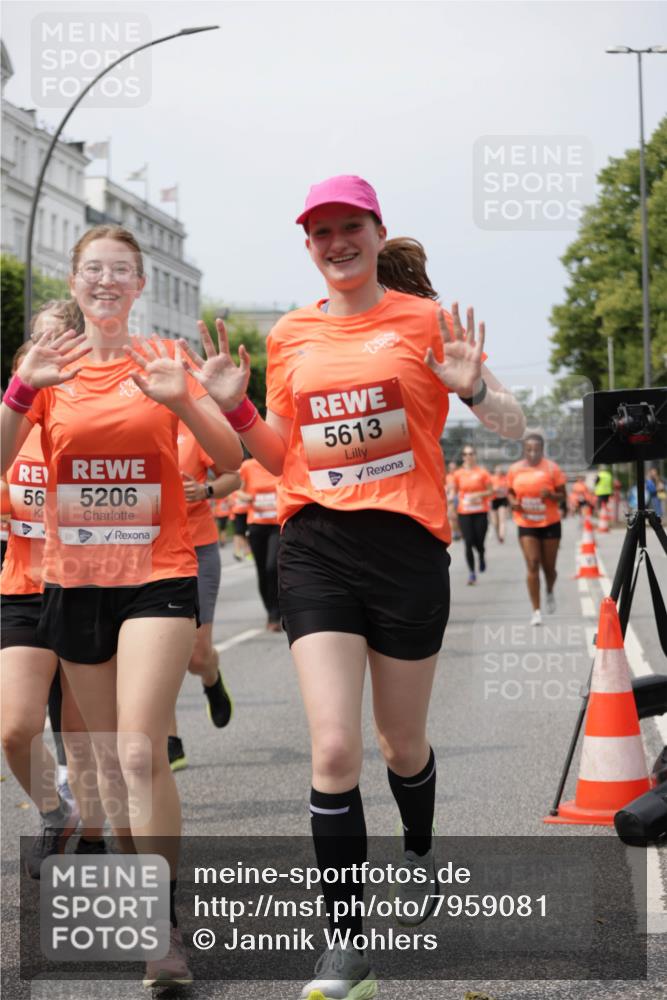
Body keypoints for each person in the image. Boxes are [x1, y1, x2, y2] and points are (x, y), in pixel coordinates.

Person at [179, 175, 525, 1000]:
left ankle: (419, 843)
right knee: (333, 748)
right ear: (308, 244)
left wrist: (475, 387)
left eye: (349, 227)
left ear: (376, 232)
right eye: (319, 231)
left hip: (405, 549)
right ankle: (345, 944)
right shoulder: (292, 335)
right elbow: (276, 456)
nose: (335, 242)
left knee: (399, 745)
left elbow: (509, 422)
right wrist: (235, 411)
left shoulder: (425, 322)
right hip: (316, 546)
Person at [0, 225, 242, 988]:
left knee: (139, 752)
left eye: (122, 272)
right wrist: (21, 390)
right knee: (103, 765)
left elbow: (232, 459)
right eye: (93, 270)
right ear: (75, 284)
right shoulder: (47, 374)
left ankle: (163, 929)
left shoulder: (164, 358)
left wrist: (191, 403)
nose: (107, 281)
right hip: (74, 583)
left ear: (139, 286)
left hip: (158, 576)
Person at [1, 318, 107, 879]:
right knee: (16, 729)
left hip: (87, 587)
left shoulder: (91, 428)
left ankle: (91, 834)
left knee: (80, 736)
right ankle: (53, 812)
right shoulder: (10, 435)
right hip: (22, 590)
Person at [167, 423, 239, 771]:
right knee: (157, 654)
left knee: (195, 655)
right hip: (145, 552)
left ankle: (211, 677)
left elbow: (233, 476)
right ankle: (170, 739)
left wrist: (206, 490)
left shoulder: (192, 424)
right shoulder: (121, 419)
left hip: (197, 547)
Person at [507, 433, 566, 626]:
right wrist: (513, 502)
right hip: (526, 523)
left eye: (536, 450)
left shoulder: (552, 468)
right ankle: (536, 610)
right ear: (524, 450)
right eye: (529, 449)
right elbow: (509, 492)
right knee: (532, 563)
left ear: (542, 449)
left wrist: (551, 495)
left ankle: (549, 589)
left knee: (549, 569)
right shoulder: (515, 469)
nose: (533, 453)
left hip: (549, 523)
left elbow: (562, 496)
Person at [238, 456, 281, 630]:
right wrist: (245, 496)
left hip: (277, 525)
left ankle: (277, 612)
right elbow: (237, 491)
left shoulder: (278, 462)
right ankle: (270, 611)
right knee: (262, 571)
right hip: (256, 525)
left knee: (273, 567)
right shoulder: (248, 466)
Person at [452, 447, 493, 584]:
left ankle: (481, 554)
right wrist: (450, 502)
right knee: (468, 542)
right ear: (462, 456)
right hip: (464, 512)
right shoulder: (458, 474)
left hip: (480, 511)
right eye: (465, 454)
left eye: (470, 453)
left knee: (479, 541)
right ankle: (471, 573)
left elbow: (490, 491)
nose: (468, 456)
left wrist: (478, 495)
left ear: (475, 455)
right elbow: (454, 492)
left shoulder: (482, 473)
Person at [490, 463, 509, 543]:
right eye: (497, 470)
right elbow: (488, 489)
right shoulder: (491, 478)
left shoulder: (505, 479)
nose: (499, 472)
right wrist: (494, 489)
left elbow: (508, 490)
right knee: (495, 522)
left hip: (503, 500)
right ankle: (498, 534)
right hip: (493, 500)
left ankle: (502, 536)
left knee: (502, 519)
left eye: (500, 470)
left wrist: (502, 490)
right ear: (494, 471)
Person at [445, 459, 460, 541]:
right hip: (451, 498)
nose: (452, 469)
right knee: (451, 516)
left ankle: (459, 532)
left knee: (458, 517)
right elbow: (445, 487)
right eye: (451, 468)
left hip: (459, 497)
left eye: (454, 467)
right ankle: (454, 533)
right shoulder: (447, 477)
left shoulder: (459, 475)